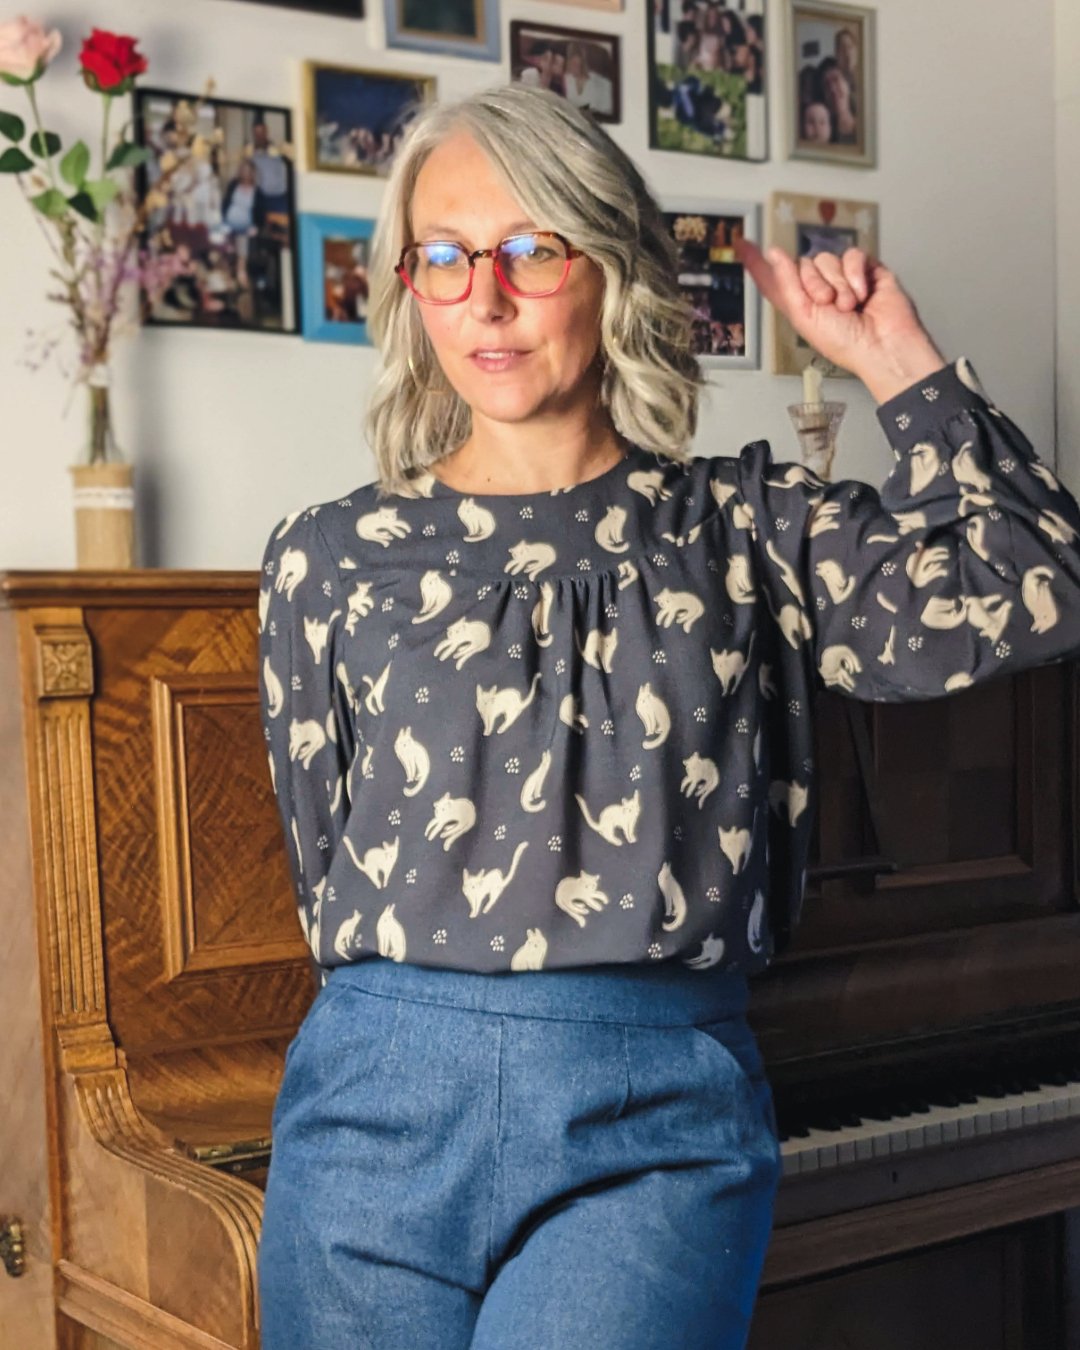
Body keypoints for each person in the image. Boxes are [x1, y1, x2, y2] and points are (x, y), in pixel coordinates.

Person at [255, 82, 1080, 1349]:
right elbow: (323, 865)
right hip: (372, 1111)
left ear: (612, 265)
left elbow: (1038, 581)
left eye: (530, 251)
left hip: (654, 1117)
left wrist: (893, 361)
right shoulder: (327, 558)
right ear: (408, 285)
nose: (485, 298)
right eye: (445, 257)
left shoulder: (750, 527)